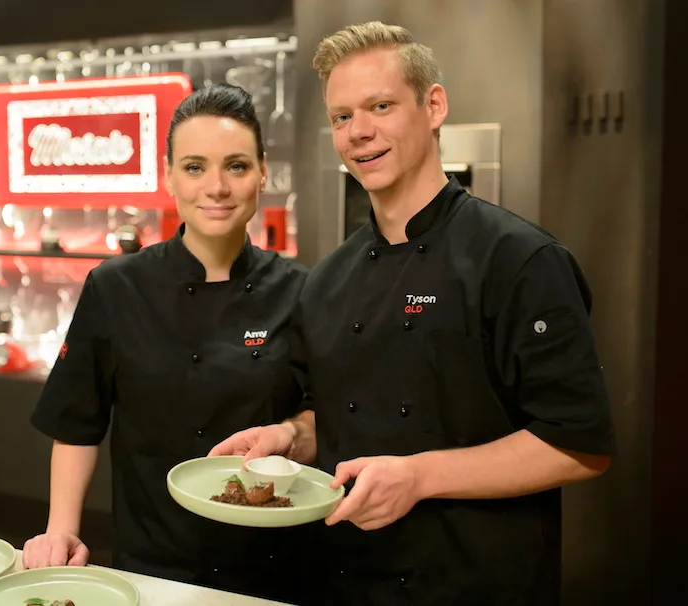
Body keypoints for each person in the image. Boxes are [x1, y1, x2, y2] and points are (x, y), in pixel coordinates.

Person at [210, 21, 617, 605]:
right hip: (348, 579)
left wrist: (419, 476)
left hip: (479, 584)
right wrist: (289, 438)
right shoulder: (326, 281)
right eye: (342, 117)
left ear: (433, 105)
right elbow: (337, 415)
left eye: (380, 106)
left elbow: (579, 445)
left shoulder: (520, 259)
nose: (360, 132)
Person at [24, 83, 308, 603]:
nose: (216, 187)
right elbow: (77, 423)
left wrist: (290, 430)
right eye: (195, 167)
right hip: (150, 566)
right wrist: (60, 528)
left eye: (237, 166)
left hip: (272, 566)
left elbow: (326, 416)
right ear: (168, 175)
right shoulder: (115, 286)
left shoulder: (303, 291)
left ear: (263, 171)